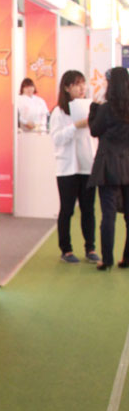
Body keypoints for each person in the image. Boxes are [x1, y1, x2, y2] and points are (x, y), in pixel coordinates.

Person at [49, 70, 99, 264]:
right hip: (67, 169)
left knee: (88, 210)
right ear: (67, 88)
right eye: (77, 84)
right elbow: (57, 138)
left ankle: (90, 248)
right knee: (67, 210)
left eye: (83, 83)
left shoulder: (90, 108)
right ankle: (66, 249)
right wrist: (75, 126)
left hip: (87, 165)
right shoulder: (59, 112)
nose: (81, 88)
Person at [88, 67, 129, 270]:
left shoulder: (105, 109)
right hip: (127, 163)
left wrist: (93, 108)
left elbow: (94, 131)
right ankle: (127, 258)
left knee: (108, 215)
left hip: (107, 166)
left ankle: (107, 259)